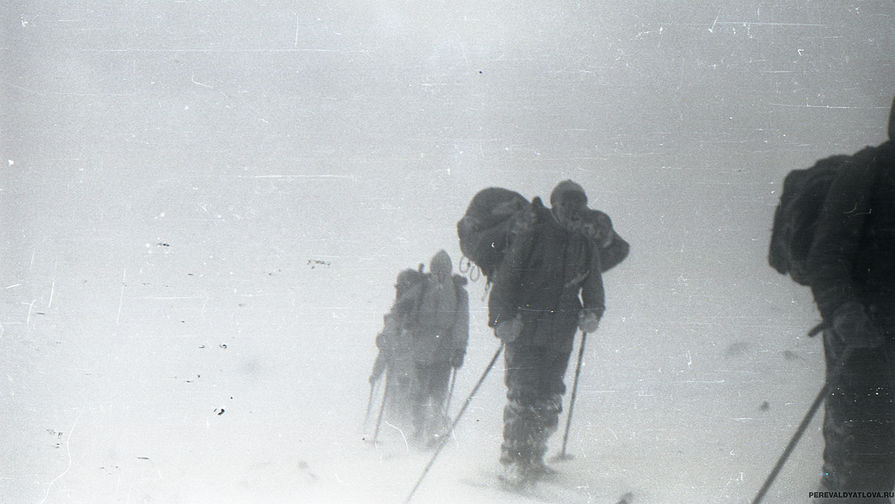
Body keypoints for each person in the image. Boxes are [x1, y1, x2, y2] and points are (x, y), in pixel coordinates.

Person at [487, 180, 607, 486]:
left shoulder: (584, 243)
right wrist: (503, 320)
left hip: (560, 334)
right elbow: (507, 279)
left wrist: (593, 312)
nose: (573, 211)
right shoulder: (534, 234)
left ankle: (535, 457)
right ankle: (514, 459)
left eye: (579, 205)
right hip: (525, 331)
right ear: (555, 205)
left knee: (550, 397)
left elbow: (593, 286)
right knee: (523, 394)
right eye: (567, 204)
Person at [806, 96, 895, 502]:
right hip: (864, 335)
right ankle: (838, 489)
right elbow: (826, 254)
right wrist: (843, 310)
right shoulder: (869, 168)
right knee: (862, 453)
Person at [404, 250, 470, 446]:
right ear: (431, 271)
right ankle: (418, 430)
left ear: (449, 271)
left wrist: (459, 349)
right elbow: (403, 308)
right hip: (421, 348)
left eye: (444, 271)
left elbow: (461, 322)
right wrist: (406, 319)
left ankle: (434, 432)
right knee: (419, 391)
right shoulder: (421, 288)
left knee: (439, 393)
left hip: (444, 350)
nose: (440, 275)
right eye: (436, 271)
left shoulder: (459, 293)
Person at [369, 267, 425, 428]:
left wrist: (376, 372)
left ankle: (398, 437)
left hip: (403, 370)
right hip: (408, 370)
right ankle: (402, 437)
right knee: (403, 404)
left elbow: (385, 348)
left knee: (400, 404)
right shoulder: (405, 313)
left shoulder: (399, 313)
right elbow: (386, 346)